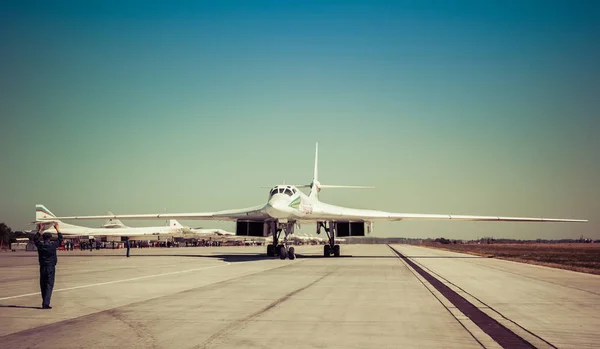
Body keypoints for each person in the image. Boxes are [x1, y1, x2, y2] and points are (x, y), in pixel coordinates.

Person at [33, 222, 63, 309]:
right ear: (50, 238)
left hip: (42, 267)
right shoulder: (53, 245)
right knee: (49, 285)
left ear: (43, 237)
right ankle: (45, 303)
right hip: (50, 267)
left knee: (43, 284)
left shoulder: (41, 245)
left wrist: (40, 229)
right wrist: (57, 228)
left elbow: (35, 239)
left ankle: (44, 301)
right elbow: (60, 239)